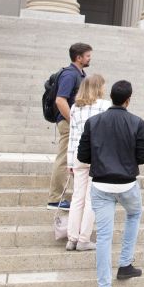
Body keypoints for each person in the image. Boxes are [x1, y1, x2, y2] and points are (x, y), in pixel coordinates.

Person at [76, 80, 144, 287]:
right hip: (127, 184)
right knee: (134, 214)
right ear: (128, 99)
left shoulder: (93, 122)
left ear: (111, 97)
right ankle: (125, 263)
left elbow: (83, 155)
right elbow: (143, 157)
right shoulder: (137, 122)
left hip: (101, 184)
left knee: (104, 237)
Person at [65, 74, 110, 252]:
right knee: (92, 198)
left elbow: (72, 136)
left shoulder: (75, 107)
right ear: (99, 87)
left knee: (77, 197)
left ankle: (72, 238)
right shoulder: (105, 106)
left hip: (78, 154)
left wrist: (69, 161)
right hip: (98, 155)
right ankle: (84, 238)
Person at [47, 42, 92, 210]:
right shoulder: (70, 75)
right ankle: (55, 199)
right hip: (68, 123)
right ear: (78, 58)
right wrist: (73, 121)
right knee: (64, 158)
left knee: (73, 158)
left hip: (73, 123)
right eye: (87, 56)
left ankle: (73, 195)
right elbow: (60, 100)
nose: (90, 58)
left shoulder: (80, 74)